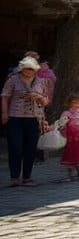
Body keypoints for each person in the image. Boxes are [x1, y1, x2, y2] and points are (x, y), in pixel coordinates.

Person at [2, 57, 47, 187]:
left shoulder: (40, 81)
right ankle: (14, 177)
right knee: (15, 147)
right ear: (22, 68)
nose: (30, 71)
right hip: (15, 117)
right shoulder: (12, 80)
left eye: (32, 69)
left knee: (31, 148)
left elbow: (45, 101)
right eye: (27, 68)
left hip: (34, 117)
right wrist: (4, 113)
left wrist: (39, 97)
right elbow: (5, 96)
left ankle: (27, 177)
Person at [59, 92, 79, 181]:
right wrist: (63, 132)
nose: (77, 104)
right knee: (70, 153)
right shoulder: (66, 113)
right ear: (69, 102)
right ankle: (71, 172)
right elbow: (61, 123)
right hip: (70, 137)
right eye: (74, 102)